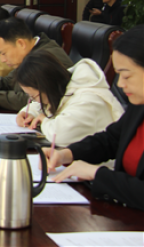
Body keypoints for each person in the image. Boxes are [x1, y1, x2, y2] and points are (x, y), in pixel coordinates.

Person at [46, 25, 144, 211]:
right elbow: (111, 140)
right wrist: (68, 154)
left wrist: (98, 174)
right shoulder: (139, 105)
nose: (120, 84)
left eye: (126, 76)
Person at [0, 17, 74, 111]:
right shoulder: (30, 53)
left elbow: (30, 99)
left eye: (4, 53)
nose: (2, 60)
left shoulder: (46, 58)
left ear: (21, 44)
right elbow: (8, 81)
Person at [15, 50, 124, 147]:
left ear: (47, 86)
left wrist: (43, 120)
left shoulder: (87, 100)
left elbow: (59, 135)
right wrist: (30, 113)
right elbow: (40, 104)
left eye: (33, 96)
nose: (33, 100)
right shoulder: (62, 87)